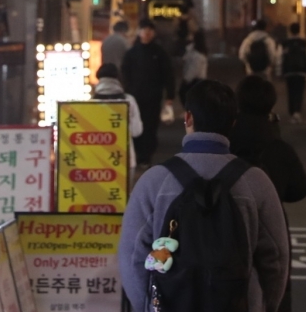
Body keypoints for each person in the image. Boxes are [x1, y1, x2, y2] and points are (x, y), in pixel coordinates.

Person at [118, 80, 289, 312]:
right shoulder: (256, 182)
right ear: (233, 123)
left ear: (188, 118)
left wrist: (146, 306)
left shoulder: (153, 181)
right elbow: (276, 260)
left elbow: (133, 257)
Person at [230, 76, 306, 203]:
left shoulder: (224, 139)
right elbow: (300, 188)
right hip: (268, 217)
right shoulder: (279, 147)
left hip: (227, 217)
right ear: (271, 105)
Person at [120, 20, 175, 166]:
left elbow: (168, 74)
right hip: (134, 97)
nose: (147, 33)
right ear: (139, 32)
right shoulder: (132, 53)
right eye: (144, 29)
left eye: (150, 30)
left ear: (154, 33)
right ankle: (138, 154)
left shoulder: (159, 52)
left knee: (150, 127)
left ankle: (146, 156)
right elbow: (124, 73)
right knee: (135, 125)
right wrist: (126, 91)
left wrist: (170, 96)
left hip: (153, 97)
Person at [92, 62, 145, 168]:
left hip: (98, 159)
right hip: (125, 158)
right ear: (118, 78)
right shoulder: (129, 100)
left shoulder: (89, 104)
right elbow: (136, 131)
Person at [279, 22, 306, 122]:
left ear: (290, 31)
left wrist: (279, 72)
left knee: (290, 92)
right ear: (299, 30)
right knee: (299, 92)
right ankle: (297, 112)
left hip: (289, 72)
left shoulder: (285, 43)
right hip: (302, 71)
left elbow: (279, 58)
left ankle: (292, 112)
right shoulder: (305, 43)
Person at [179, 29, 209, 105]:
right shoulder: (192, 49)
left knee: (189, 96)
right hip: (194, 80)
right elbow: (185, 58)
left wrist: (187, 79)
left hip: (195, 80)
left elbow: (194, 69)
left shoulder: (198, 54)